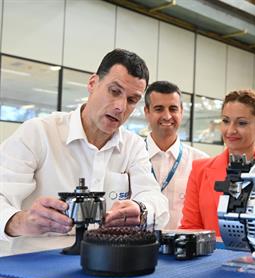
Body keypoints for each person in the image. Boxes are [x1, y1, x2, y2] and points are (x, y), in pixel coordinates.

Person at [0, 49, 169, 241]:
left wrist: (141, 209)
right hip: (33, 263)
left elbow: (156, 200)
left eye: (132, 100)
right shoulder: (38, 133)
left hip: (105, 261)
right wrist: (20, 221)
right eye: (114, 91)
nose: (120, 107)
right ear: (92, 83)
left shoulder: (134, 146)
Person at [180, 89, 255, 236]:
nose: (230, 130)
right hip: (211, 257)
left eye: (241, 123)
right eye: (226, 121)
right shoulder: (199, 170)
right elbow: (191, 228)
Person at [143, 80, 208, 229]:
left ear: (181, 111)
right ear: (147, 112)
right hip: (136, 247)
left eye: (173, 109)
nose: (167, 116)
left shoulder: (200, 162)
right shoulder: (131, 156)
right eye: (159, 109)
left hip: (182, 248)